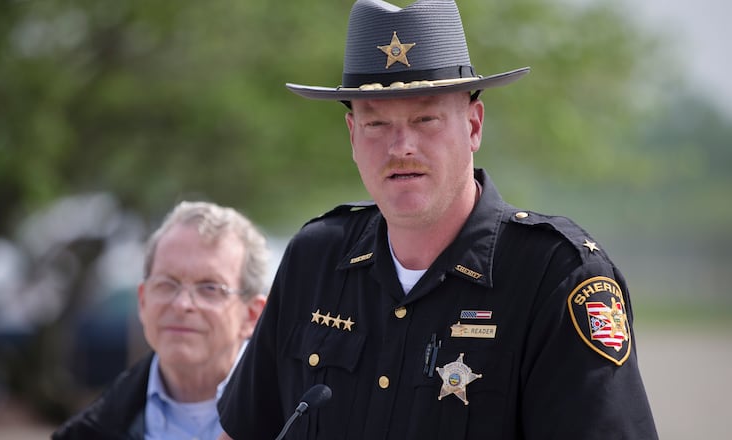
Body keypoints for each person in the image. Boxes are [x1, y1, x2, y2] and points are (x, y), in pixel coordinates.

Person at [217, 0, 658, 439]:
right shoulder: (314, 259)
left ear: (473, 126)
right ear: (352, 135)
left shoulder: (555, 277)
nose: (401, 146)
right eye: (376, 124)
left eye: (425, 118)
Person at [53, 201, 269, 439]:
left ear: (252, 316)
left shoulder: (300, 418)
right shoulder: (88, 432)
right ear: (143, 301)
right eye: (167, 284)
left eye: (209, 287)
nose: (181, 304)